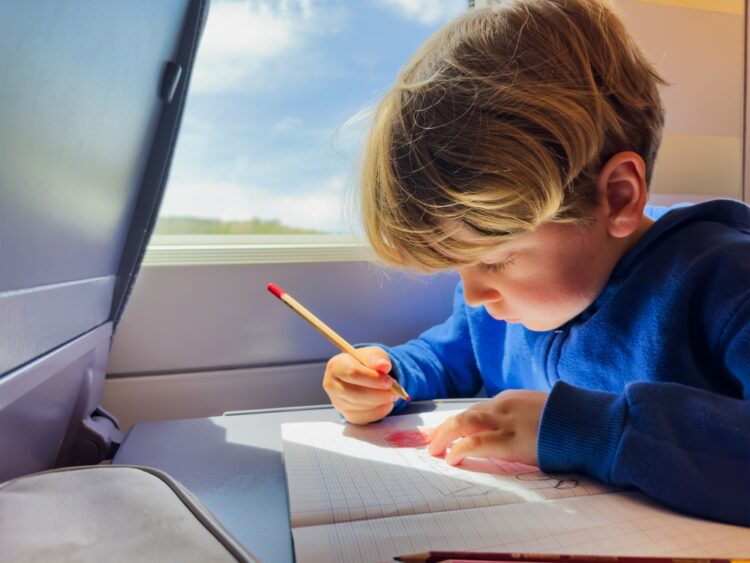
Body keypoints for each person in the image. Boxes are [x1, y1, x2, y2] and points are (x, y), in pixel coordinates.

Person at [322, 0, 750, 526]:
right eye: (461, 267)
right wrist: (386, 375)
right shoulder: (497, 307)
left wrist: (595, 430)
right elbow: (451, 355)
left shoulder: (726, 285)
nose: (475, 295)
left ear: (615, 197)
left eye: (497, 260)